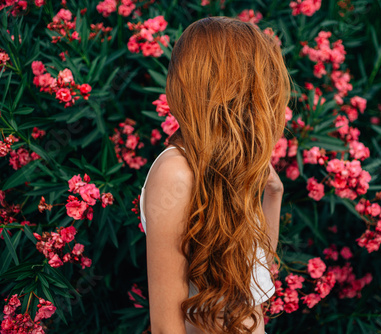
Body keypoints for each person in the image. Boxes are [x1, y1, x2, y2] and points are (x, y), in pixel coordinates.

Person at [140, 16, 291, 334]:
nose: (263, 88)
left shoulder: (225, 168)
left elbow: (255, 283)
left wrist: (272, 195)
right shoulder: (176, 174)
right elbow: (166, 327)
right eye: (255, 73)